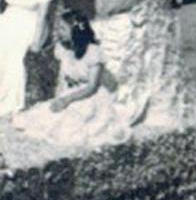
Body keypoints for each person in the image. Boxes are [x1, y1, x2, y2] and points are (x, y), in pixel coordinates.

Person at [13, 10, 138, 147]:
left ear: (76, 30)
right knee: (40, 116)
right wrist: (59, 98)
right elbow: (63, 77)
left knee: (69, 128)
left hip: (91, 96)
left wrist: (67, 100)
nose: (58, 32)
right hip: (71, 92)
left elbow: (92, 87)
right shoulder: (62, 49)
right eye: (58, 28)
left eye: (62, 29)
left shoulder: (93, 52)